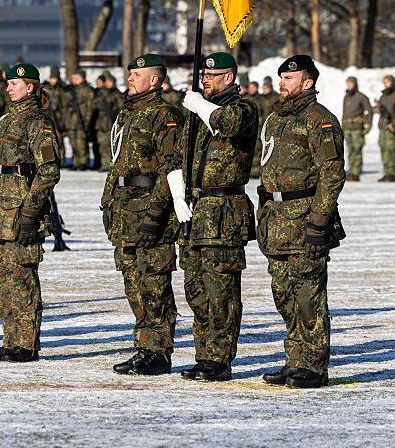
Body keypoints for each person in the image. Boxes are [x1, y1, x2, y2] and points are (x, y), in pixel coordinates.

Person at [256, 54, 345, 389]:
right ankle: (295, 358)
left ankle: (313, 364)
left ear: (307, 83)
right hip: (276, 220)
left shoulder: (319, 119)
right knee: (284, 294)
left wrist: (319, 221)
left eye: (290, 79)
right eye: (281, 78)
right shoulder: (277, 119)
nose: (283, 83)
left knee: (308, 295)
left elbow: (332, 174)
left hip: (305, 218)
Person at [172, 51, 257, 382]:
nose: (205, 79)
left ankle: (219, 359)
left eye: (213, 75)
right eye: (203, 75)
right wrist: (179, 193)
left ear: (230, 78)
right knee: (195, 288)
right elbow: (182, 155)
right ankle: (203, 354)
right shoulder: (197, 113)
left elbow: (227, 125)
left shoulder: (242, 108)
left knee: (220, 289)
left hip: (224, 212)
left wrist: (199, 106)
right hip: (196, 210)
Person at [101, 54, 183, 376]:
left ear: (155, 80)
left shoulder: (164, 115)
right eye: (130, 73)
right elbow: (118, 164)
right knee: (133, 283)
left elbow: (171, 169)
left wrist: (157, 212)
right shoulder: (127, 115)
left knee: (154, 283)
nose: (130, 78)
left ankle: (158, 351)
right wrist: (108, 201)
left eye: (138, 74)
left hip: (150, 211)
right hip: (125, 212)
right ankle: (144, 346)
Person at [0, 63, 61, 363]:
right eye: (8, 82)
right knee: (4, 280)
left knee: (22, 280)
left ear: (31, 88)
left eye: (16, 83)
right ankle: (11, 340)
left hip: (20, 212)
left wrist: (30, 211)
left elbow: (49, 170)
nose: (9, 87)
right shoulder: (7, 121)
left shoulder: (38, 123)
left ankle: (26, 345)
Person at [374, 75, 395, 182]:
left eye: (387, 82)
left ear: (392, 83)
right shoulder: (383, 96)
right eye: (384, 82)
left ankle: (391, 173)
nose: (386, 84)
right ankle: (386, 172)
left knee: (390, 150)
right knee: (383, 150)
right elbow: (379, 111)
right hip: (383, 127)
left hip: (391, 128)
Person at [341, 77, 371, 182]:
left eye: (351, 84)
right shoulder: (346, 97)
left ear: (355, 84)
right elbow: (344, 113)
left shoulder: (361, 97)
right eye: (347, 83)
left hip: (357, 128)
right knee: (350, 150)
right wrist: (342, 127)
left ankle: (356, 172)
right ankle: (351, 170)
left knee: (357, 150)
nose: (349, 86)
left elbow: (369, 112)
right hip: (347, 128)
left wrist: (366, 123)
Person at [65, 69, 95, 170]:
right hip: (71, 121)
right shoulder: (70, 90)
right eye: (73, 78)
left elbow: (90, 107)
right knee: (73, 142)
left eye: (76, 78)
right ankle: (75, 161)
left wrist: (87, 120)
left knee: (81, 142)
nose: (74, 80)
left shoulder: (87, 90)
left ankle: (83, 162)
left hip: (81, 120)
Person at [94, 71, 124, 172]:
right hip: (101, 123)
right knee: (102, 144)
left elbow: (121, 107)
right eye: (106, 82)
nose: (108, 84)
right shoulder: (101, 93)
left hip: (112, 123)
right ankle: (105, 164)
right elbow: (95, 105)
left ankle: (111, 164)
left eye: (110, 82)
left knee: (111, 145)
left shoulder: (116, 94)